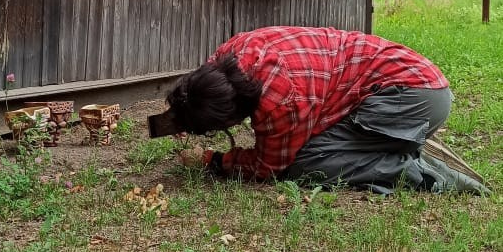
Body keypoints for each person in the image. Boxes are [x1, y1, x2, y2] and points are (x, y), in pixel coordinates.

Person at [167, 25, 485, 194]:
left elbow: (269, 166)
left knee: (306, 163)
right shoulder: (232, 52)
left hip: (412, 98)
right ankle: (397, 144)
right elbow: (203, 91)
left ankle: (423, 173)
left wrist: (220, 160)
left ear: (234, 115)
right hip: (414, 81)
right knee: (311, 144)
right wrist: (184, 112)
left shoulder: (279, 99)